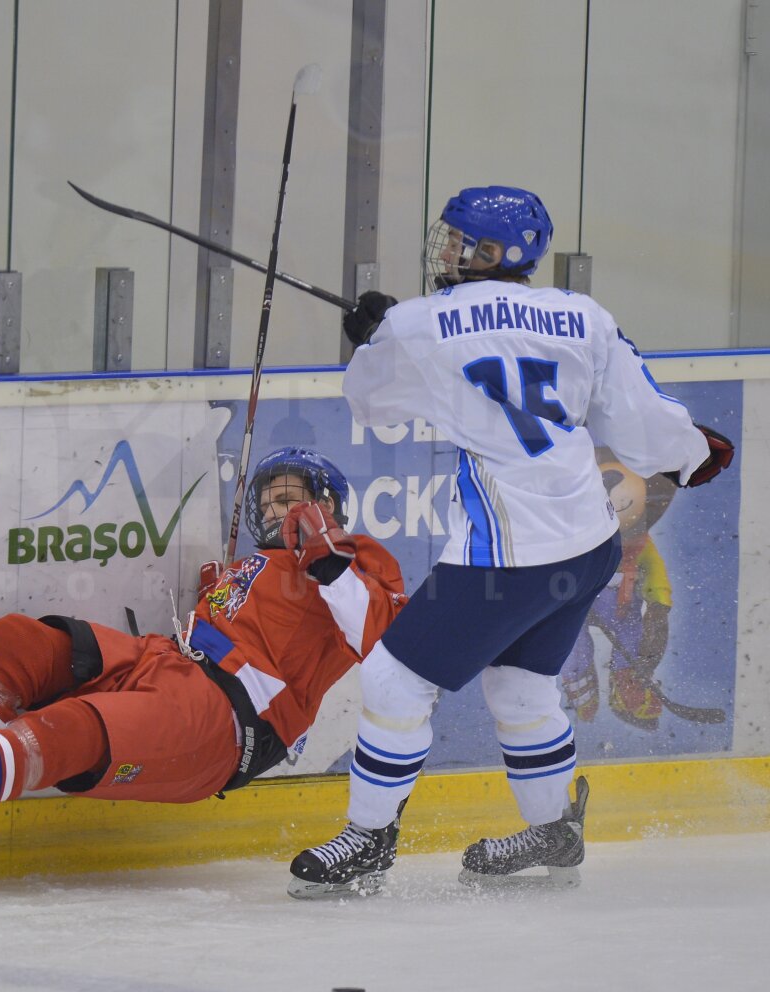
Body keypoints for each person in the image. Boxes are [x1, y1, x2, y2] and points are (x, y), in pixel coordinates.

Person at [288, 185, 735, 899]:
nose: (447, 251)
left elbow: (371, 403)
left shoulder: (423, 323)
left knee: (393, 680)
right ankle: (555, 828)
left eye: (461, 241)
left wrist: (374, 340)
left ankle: (369, 839)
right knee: (519, 683)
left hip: (509, 553)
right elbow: (641, 412)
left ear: (494, 253)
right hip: (588, 543)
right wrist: (690, 453)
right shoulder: (580, 314)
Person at [0, 447, 407, 885]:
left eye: (297, 499)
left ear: (331, 507)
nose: (282, 511)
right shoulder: (256, 564)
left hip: (225, 718)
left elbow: (386, 641)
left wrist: (330, 563)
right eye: (272, 502)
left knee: (75, 728)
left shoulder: (354, 561)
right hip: (166, 663)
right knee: (16, 642)